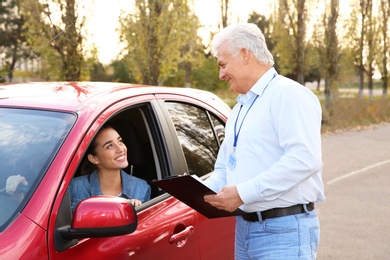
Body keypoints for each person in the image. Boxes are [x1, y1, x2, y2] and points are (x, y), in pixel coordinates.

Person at [203, 23, 325, 259]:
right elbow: (224, 168)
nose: (221, 75)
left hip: (283, 232)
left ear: (245, 54)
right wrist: (197, 191)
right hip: (245, 230)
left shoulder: (288, 95)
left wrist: (243, 193)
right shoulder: (239, 109)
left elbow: (304, 160)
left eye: (223, 64)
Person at [69, 124, 151, 212]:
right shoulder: (74, 188)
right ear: (94, 159)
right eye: (110, 146)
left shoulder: (142, 188)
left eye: (120, 141)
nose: (120, 149)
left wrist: (134, 212)